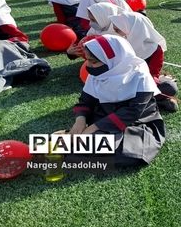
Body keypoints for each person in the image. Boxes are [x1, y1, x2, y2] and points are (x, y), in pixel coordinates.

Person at [69, 35, 166, 167]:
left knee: (131, 153)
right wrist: (80, 121)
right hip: (105, 115)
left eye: (93, 62)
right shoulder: (97, 74)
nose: (89, 66)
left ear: (111, 60)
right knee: (85, 142)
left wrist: (92, 128)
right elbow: (85, 101)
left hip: (138, 121)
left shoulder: (139, 75)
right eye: (88, 61)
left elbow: (133, 112)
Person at [109, 12, 179, 112]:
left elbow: (151, 74)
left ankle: (142, 101)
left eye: (118, 31)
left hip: (141, 83)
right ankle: (154, 101)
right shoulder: (117, 44)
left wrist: (156, 79)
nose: (115, 34)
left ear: (133, 31)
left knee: (170, 87)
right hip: (120, 81)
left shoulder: (155, 49)